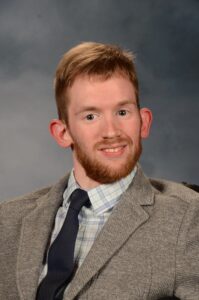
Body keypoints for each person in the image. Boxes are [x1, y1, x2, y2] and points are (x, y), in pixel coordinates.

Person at [0, 42, 199, 300]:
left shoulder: (188, 217)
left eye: (123, 112)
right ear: (63, 133)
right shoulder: (7, 220)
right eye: (90, 116)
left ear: (144, 122)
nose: (112, 131)